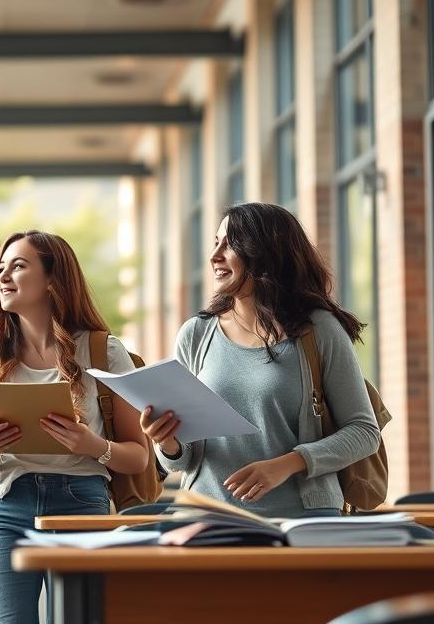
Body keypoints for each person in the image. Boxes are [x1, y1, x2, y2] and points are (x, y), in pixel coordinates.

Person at [0, 230, 148, 624]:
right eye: (1, 267)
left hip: (82, 507)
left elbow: (138, 456)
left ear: (52, 279)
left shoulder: (102, 350)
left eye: (18, 266)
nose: (3, 275)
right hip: (5, 509)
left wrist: (92, 446)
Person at [139, 203, 380, 518]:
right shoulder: (195, 334)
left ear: (266, 254)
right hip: (206, 516)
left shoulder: (319, 330)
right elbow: (181, 461)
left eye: (230, 245)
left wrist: (287, 465)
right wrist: (166, 442)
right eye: (216, 243)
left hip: (301, 519)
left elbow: (364, 432)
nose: (215, 256)